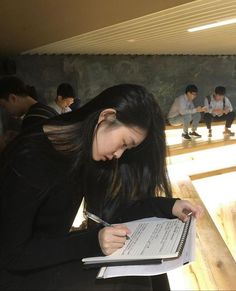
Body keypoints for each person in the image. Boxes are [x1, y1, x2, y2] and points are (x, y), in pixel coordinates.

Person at [0, 84, 203, 291]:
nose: (119, 155)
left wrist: (168, 207)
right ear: (106, 117)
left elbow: (115, 211)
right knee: (132, 282)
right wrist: (91, 242)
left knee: (153, 271)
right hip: (16, 272)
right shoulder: (30, 158)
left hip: (48, 254)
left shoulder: (86, 152)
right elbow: (12, 254)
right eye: (124, 142)